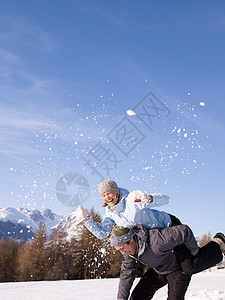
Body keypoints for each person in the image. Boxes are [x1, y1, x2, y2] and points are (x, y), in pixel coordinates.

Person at [76, 179, 196, 274]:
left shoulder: (132, 200)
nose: (107, 197)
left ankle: (212, 248)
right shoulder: (111, 214)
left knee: (189, 263)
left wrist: (149, 198)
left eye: (108, 193)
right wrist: (87, 221)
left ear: (116, 191)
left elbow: (166, 200)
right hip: (156, 237)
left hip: (169, 225)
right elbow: (102, 234)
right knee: (178, 265)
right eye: (103, 195)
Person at [110, 225, 225, 300]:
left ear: (131, 241)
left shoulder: (156, 240)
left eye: (122, 249)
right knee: (138, 296)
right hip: (158, 269)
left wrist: (195, 253)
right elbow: (126, 276)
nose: (122, 253)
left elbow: (184, 231)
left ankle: (218, 243)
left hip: (178, 268)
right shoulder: (129, 253)